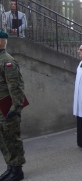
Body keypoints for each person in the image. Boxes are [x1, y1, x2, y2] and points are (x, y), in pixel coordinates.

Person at [0, 30, 26, 181]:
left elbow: (15, 87)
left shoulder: (7, 61)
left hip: (7, 108)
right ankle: (10, 166)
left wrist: (15, 108)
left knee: (12, 138)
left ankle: (17, 170)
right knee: (3, 139)